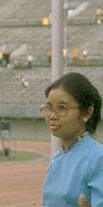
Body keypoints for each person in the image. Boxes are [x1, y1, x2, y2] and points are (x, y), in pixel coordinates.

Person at [41, 72, 103, 207]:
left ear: (87, 113)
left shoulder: (98, 158)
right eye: (49, 107)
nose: (52, 115)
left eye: (62, 108)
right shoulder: (57, 158)